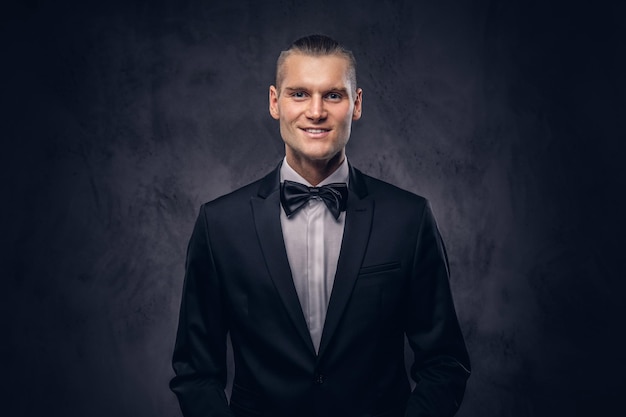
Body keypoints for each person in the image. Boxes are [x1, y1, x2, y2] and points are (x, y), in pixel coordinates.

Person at [170, 34, 471, 417]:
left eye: (332, 95)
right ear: (274, 103)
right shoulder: (219, 225)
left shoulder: (408, 219)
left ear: (356, 104)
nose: (315, 112)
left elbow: (445, 364)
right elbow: (195, 373)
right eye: (299, 94)